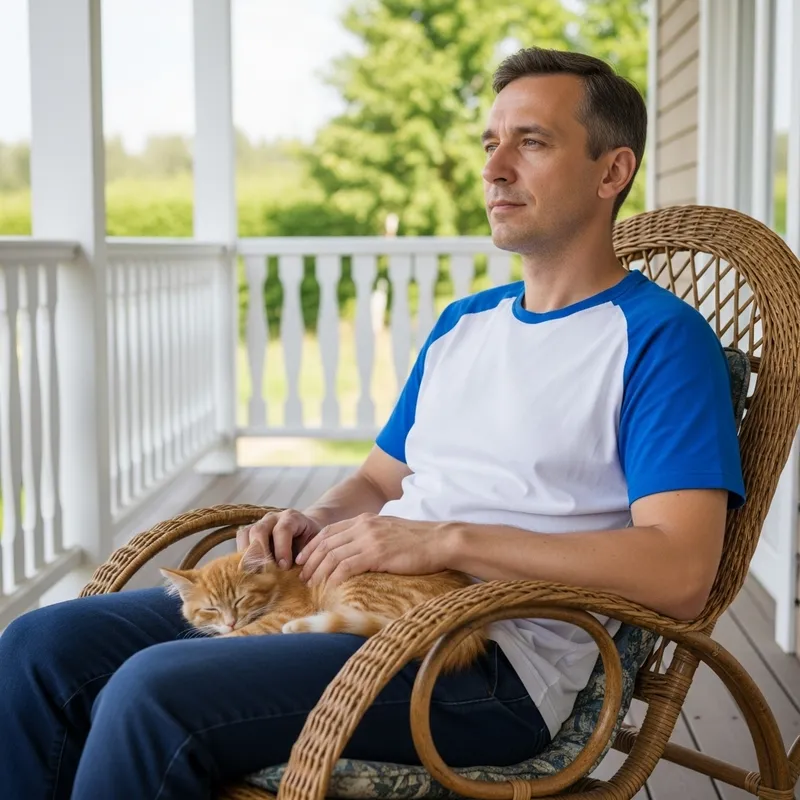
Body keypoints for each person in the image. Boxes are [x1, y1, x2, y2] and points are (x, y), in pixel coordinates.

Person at [0, 47, 744, 800]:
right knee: (38, 646)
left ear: (611, 172)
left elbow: (680, 573)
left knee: (150, 692)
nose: (494, 168)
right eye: (491, 143)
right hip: (354, 597)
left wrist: (447, 540)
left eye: (532, 142)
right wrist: (310, 519)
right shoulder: (465, 324)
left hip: (487, 660)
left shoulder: (660, 339)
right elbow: (376, 480)